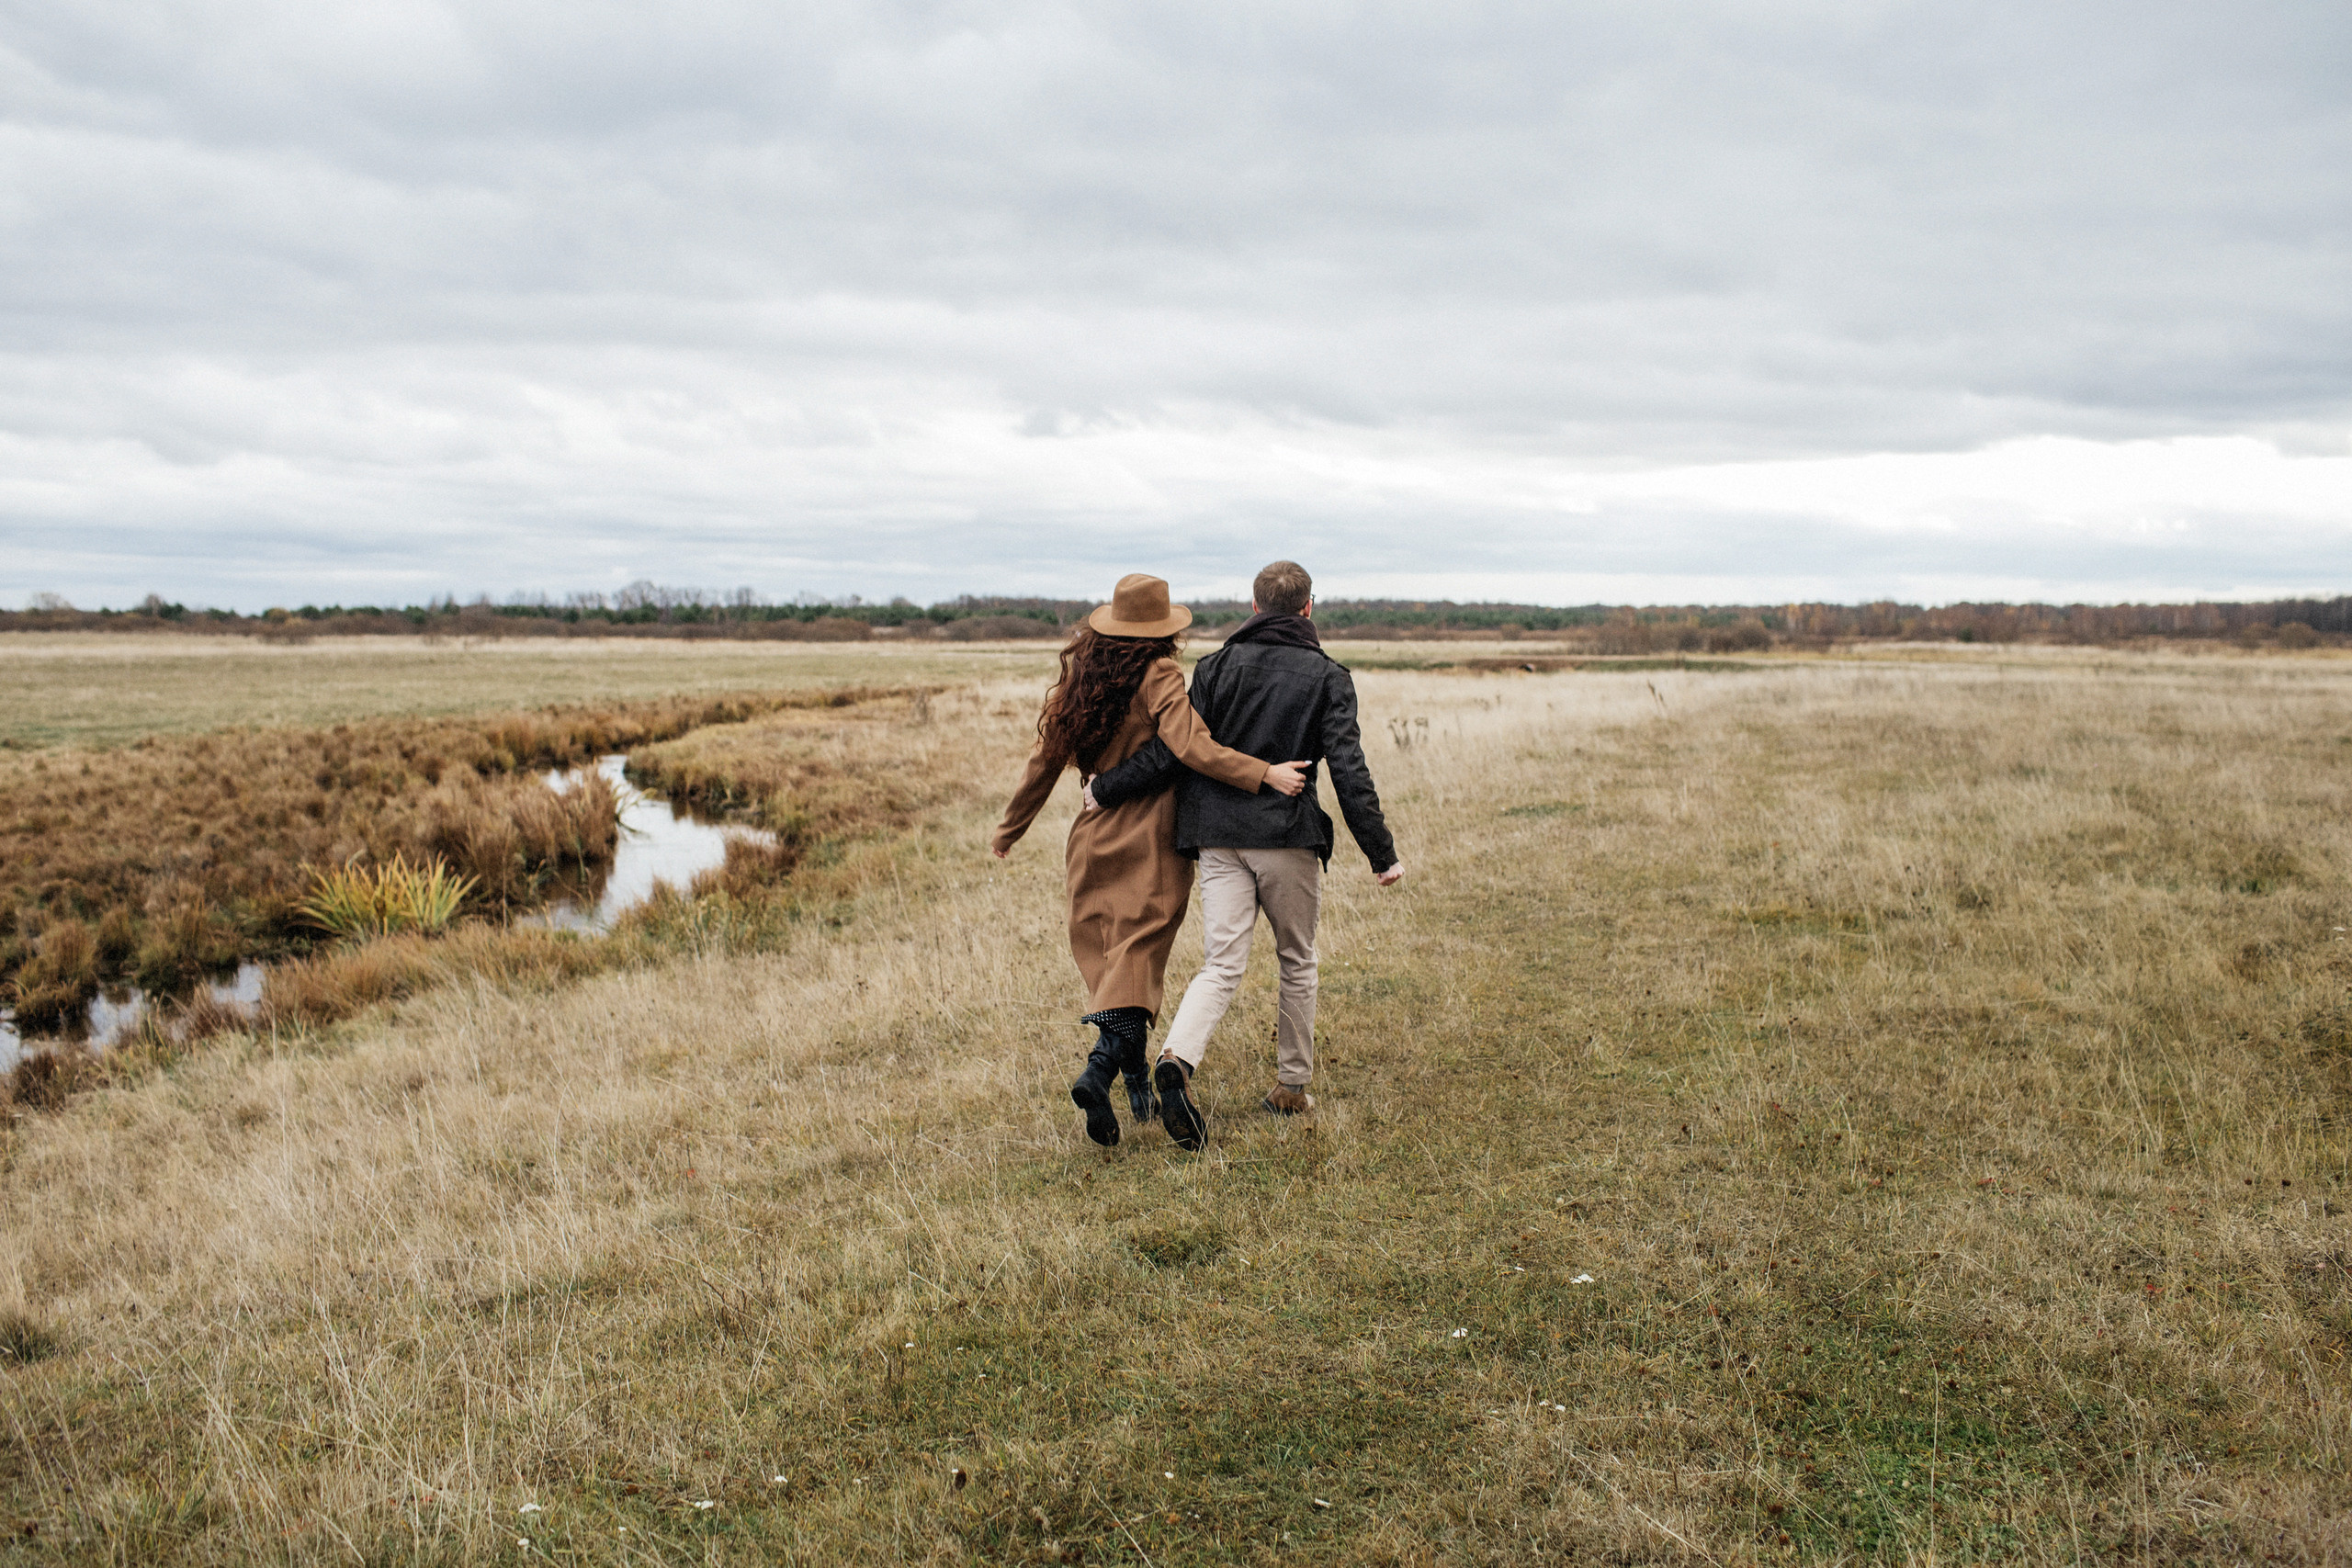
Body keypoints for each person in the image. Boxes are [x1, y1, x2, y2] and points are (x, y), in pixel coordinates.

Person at [1084, 559, 1403, 1151]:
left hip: (1215, 835)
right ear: (1308, 608)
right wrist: (1381, 855)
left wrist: (1106, 788)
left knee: (1221, 964)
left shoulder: (1213, 668)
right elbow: (1350, 771)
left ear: (1255, 607)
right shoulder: (1328, 676)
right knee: (1297, 959)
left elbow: (1173, 752)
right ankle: (1291, 1087)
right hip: (1285, 836)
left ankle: (1177, 1060)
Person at [990, 573, 1310, 1147]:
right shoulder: (1159, 673)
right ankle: (1099, 1071)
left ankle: (1134, 1086)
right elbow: (1191, 746)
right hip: (1149, 831)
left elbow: (1044, 760)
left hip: (1091, 832)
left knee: (1115, 961)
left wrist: (1009, 829)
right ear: (1163, 630)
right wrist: (1263, 772)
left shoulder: (1082, 676)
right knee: (1136, 963)